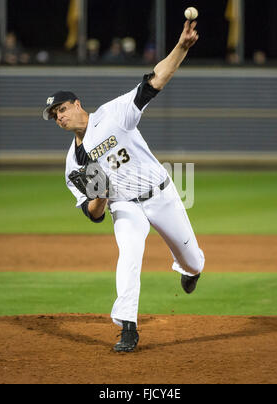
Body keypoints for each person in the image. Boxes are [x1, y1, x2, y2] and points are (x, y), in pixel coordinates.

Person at [42, 20, 204, 353]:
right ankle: (127, 327)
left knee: (194, 260)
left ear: (76, 104)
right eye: (53, 115)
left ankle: (189, 270)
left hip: (161, 194)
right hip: (125, 206)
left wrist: (182, 48)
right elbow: (94, 215)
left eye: (61, 108)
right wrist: (99, 197)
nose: (59, 116)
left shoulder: (112, 114)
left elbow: (155, 81)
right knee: (129, 254)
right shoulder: (74, 161)